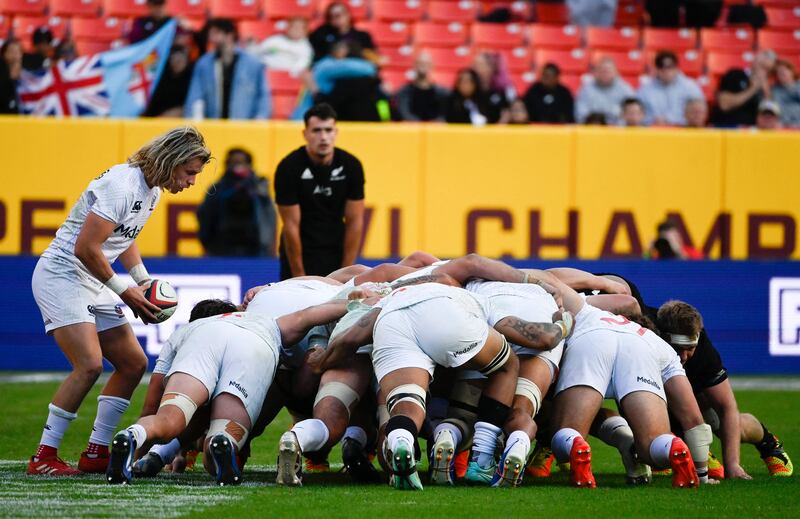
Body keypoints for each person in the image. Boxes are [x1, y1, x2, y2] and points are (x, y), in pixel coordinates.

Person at [27, 127, 211, 476]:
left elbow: (122, 238)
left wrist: (142, 280)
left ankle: (96, 451)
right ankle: (43, 456)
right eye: (190, 173)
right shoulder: (123, 185)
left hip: (90, 277)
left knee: (132, 362)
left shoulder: (151, 189)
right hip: (62, 275)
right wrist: (124, 290)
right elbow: (84, 248)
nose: (191, 182)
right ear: (171, 161)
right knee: (89, 365)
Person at [106, 298, 348, 485]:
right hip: (253, 343)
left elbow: (151, 404)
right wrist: (358, 301)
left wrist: (138, 454)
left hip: (200, 343)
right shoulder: (264, 319)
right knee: (225, 436)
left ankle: (132, 434)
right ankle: (223, 440)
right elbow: (309, 315)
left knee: (168, 418)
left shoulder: (186, 330)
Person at [656, 300, 793, 479]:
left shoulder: (704, 353)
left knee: (725, 427)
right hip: (663, 400)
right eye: (678, 349)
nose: (684, 356)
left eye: (690, 349)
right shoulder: (645, 334)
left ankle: (768, 444)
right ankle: (691, 450)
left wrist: (732, 465)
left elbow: (727, 408)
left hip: (697, 400)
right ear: (663, 337)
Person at [274, 103, 365, 280]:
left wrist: (347, 272)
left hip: (335, 250)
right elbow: (291, 226)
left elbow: (355, 221)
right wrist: (299, 276)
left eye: (328, 130)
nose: (323, 137)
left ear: (336, 132)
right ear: (305, 134)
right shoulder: (289, 167)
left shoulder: (351, 166)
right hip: (299, 252)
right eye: (316, 130)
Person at [184, 18, 271, 120]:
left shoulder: (253, 64)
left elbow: (263, 96)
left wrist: (259, 120)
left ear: (229, 35)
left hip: (243, 128)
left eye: (216, 33)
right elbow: (195, 96)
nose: (211, 38)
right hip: (213, 127)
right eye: (210, 34)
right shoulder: (204, 64)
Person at [197, 147, 277, 257]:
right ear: (227, 164)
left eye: (241, 162)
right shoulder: (217, 189)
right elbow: (205, 216)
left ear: (249, 165)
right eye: (233, 162)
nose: (237, 166)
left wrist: (270, 248)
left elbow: (270, 218)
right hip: (221, 249)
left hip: (255, 250)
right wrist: (207, 244)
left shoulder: (259, 188)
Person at [638, 51, 704, 126]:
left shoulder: (690, 87)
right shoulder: (645, 90)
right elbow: (637, 115)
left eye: (670, 67)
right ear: (656, 69)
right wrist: (652, 120)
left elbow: (700, 113)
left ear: (677, 68)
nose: (666, 71)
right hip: (655, 131)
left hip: (684, 130)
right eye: (662, 67)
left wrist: (669, 119)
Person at [712, 49, 775, 128]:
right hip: (727, 126)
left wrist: (766, 91)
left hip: (752, 130)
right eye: (762, 66)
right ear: (755, 61)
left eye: (767, 70)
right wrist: (753, 89)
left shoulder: (766, 88)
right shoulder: (735, 74)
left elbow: (770, 113)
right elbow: (724, 105)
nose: (762, 71)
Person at [309, 1, 376, 63]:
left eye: (338, 15)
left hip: (356, 66)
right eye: (331, 17)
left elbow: (370, 55)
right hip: (332, 66)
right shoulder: (324, 34)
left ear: (348, 14)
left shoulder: (362, 36)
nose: (335, 19)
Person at [575, 57, 635, 124]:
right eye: (602, 71)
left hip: (619, 131)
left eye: (608, 71)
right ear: (595, 72)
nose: (605, 74)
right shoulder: (586, 90)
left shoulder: (625, 90)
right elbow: (581, 115)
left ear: (616, 72)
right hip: (594, 130)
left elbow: (633, 115)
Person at [394, 51, 448, 122]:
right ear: (414, 65)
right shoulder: (404, 92)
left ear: (432, 66)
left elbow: (443, 115)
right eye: (420, 63)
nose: (423, 66)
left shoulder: (442, 93)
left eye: (426, 63)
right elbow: (404, 113)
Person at [144, 45, 193, 117]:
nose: (178, 63)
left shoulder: (191, 78)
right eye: (175, 59)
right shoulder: (160, 77)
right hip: (156, 119)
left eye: (181, 60)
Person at [473, 52, 511, 124]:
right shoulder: (471, 87)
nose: (476, 68)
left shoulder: (502, 88)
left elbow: (507, 110)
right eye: (475, 65)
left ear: (490, 67)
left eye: (480, 64)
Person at [772, 59, 800, 128]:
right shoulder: (775, 90)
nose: (782, 73)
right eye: (779, 72)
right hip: (783, 126)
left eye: (784, 70)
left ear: (792, 71)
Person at [0, 38, 22, 114]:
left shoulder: (29, 80)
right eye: (12, 51)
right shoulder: (2, 82)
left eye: (18, 51)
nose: (15, 54)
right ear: (4, 55)